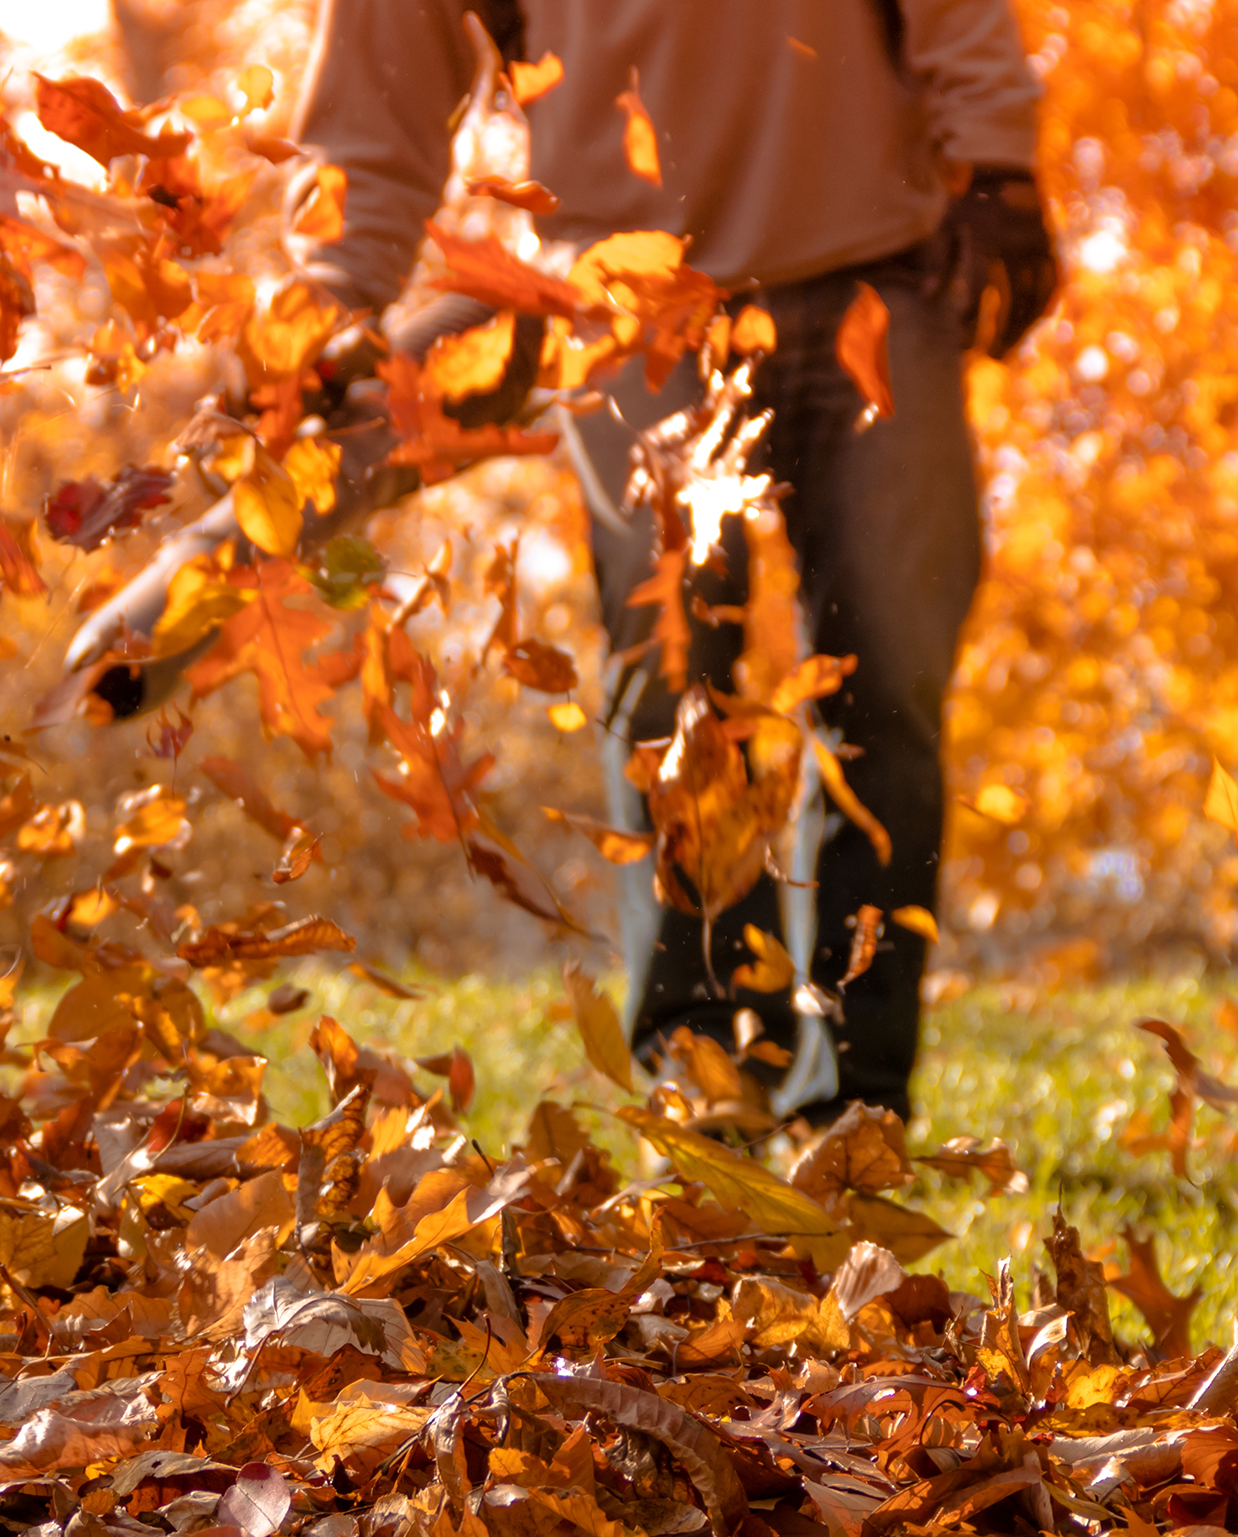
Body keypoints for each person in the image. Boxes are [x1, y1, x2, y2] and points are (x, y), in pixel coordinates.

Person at [282, 0, 1060, 1124]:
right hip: (623, 299)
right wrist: (327, 302)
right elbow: (375, 93)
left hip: (880, 276)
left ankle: (855, 1103)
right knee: (674, 679)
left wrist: (995, 161)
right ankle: (702, 1066)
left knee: (887, 683)